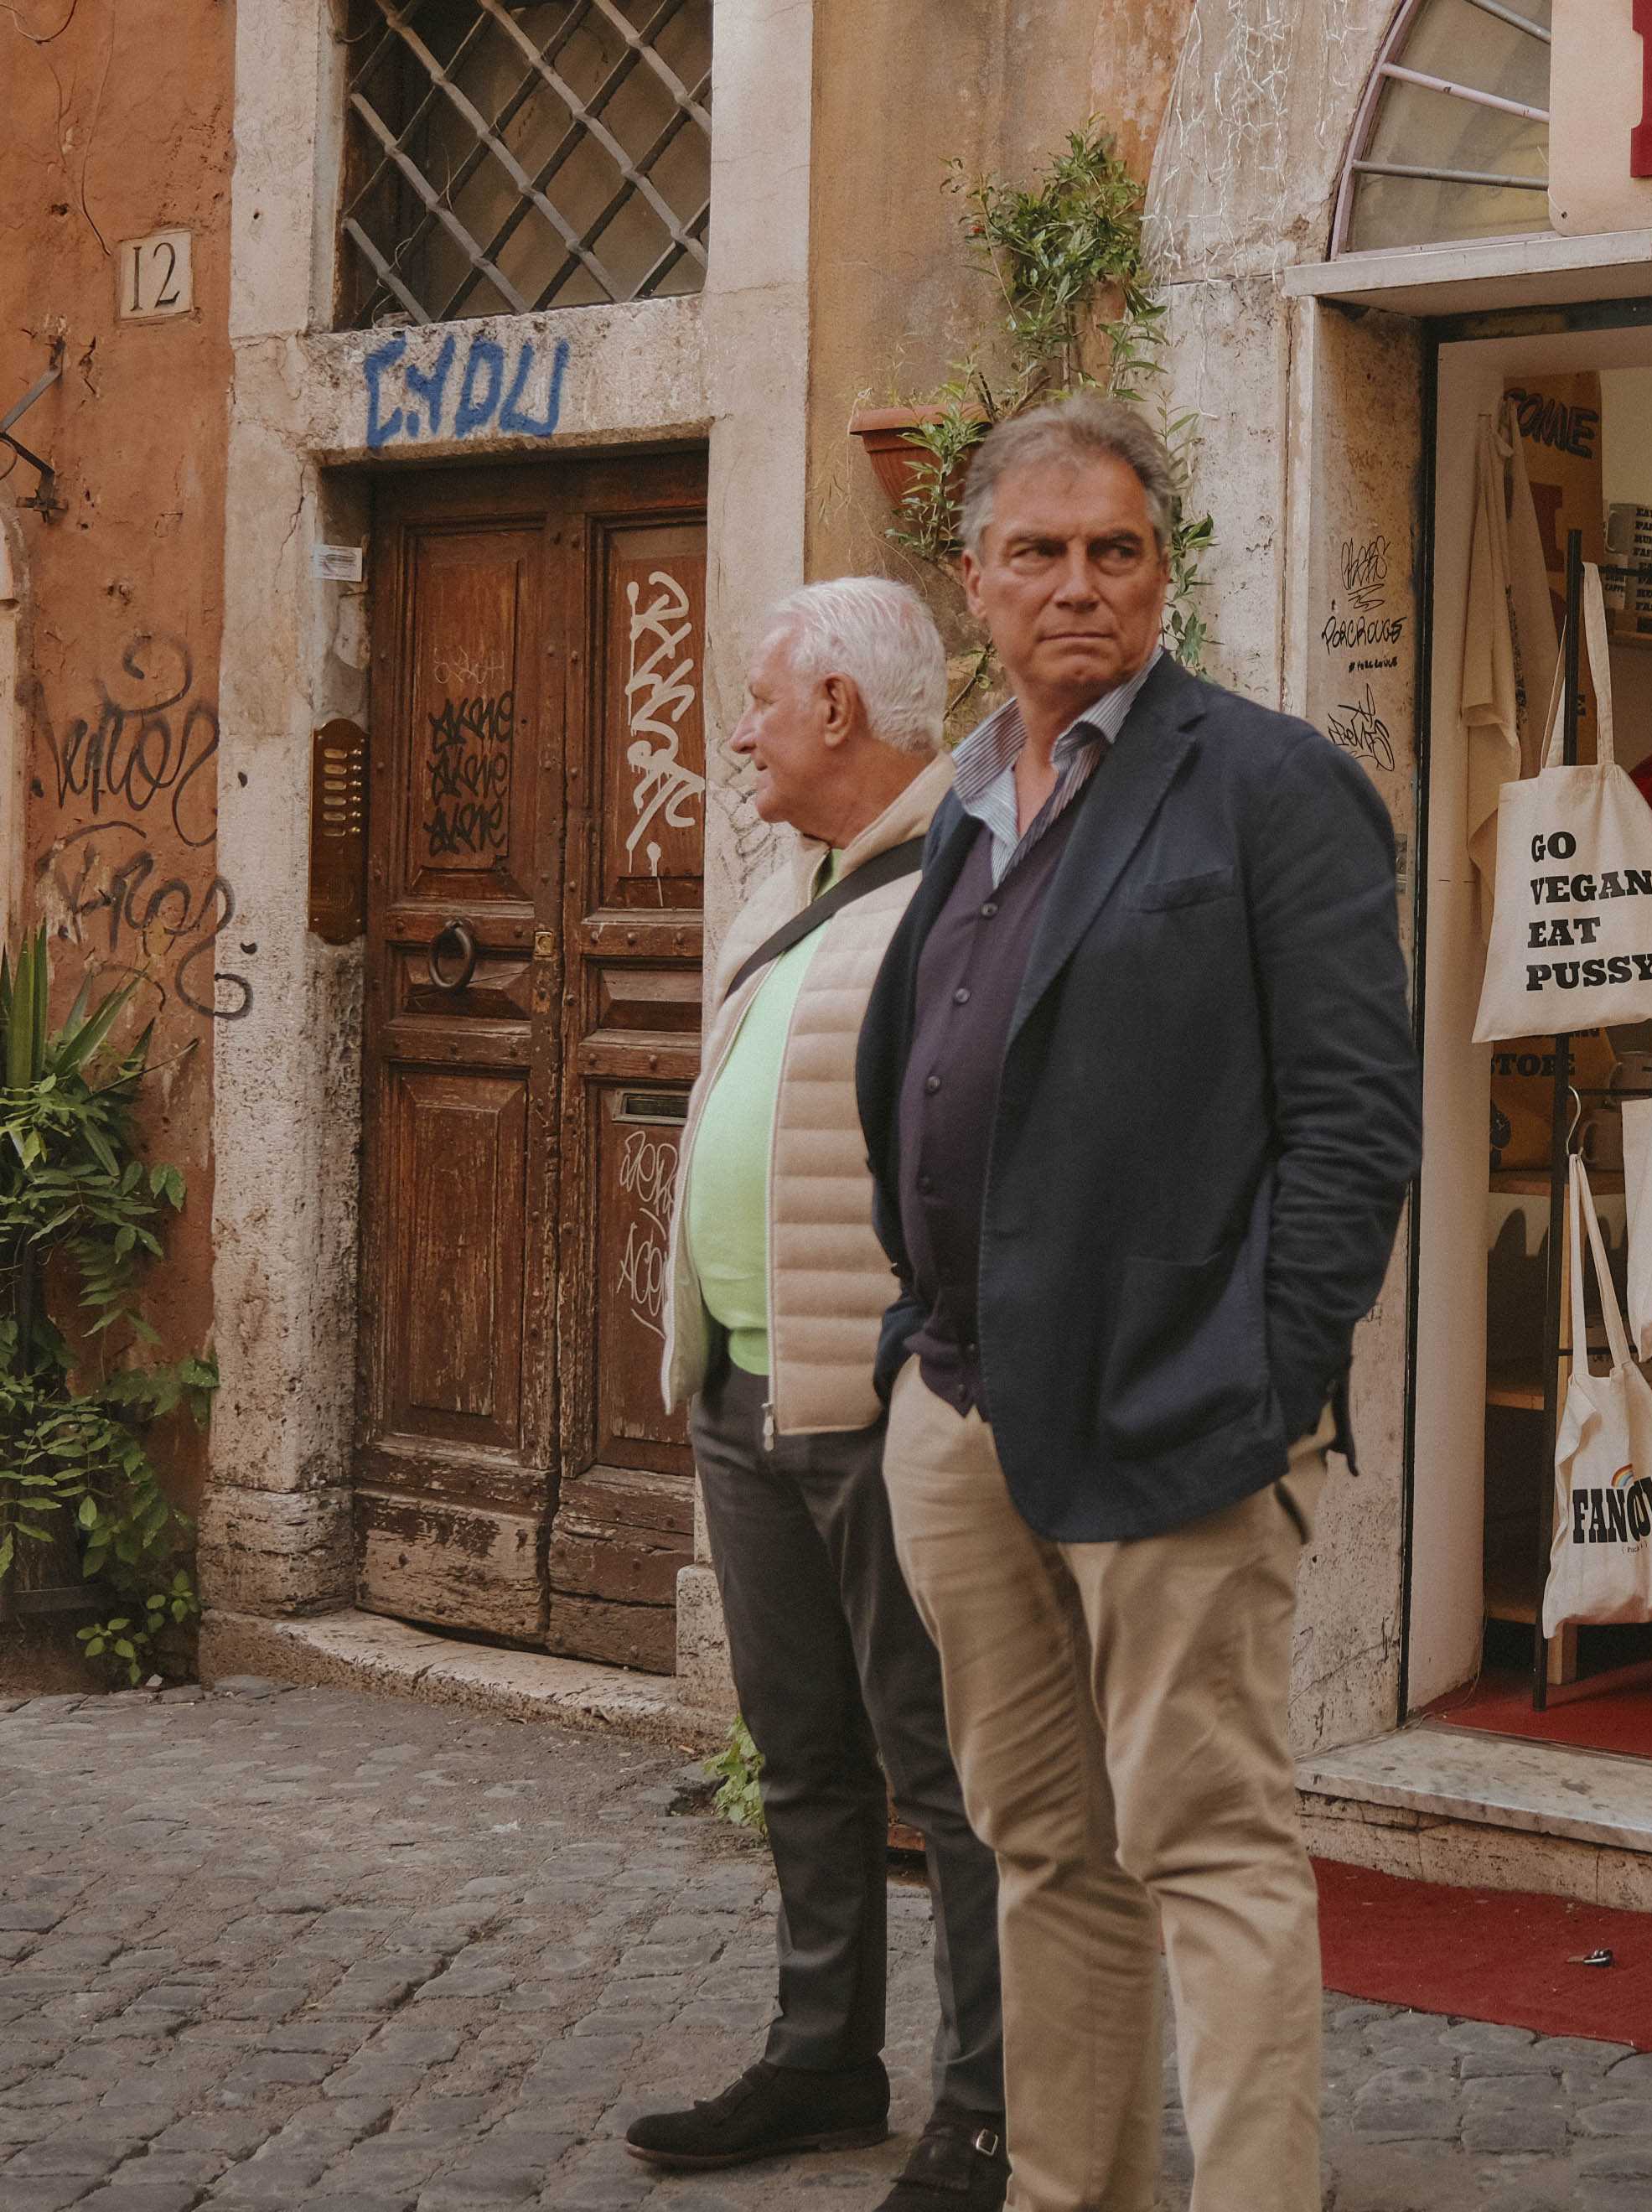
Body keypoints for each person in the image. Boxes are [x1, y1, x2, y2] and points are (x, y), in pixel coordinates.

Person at [856, 393, 1418, 2212]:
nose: (1076, 585)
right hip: (960, 1404)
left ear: (1162, 571)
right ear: (972, 582)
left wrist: (1270, 1377)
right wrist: (905, 1358)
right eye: (1037, 552)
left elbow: (1352, 1118)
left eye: (1114, 549)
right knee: (1035, 1850)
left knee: (1210, 1847)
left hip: (1181, 1411)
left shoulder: (1264, 784)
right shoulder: (959, 795)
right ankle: (1065, 2191)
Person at [625, 580, 1009, 2212]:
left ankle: (988, 2109)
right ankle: (822, 2056)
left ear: (840, 711)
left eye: (763, 704)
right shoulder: (800, 894)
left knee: (944, 1767)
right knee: (798, 1748)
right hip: (743, 1387)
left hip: (880, 1403)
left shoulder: (964, 893)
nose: (738, 734)